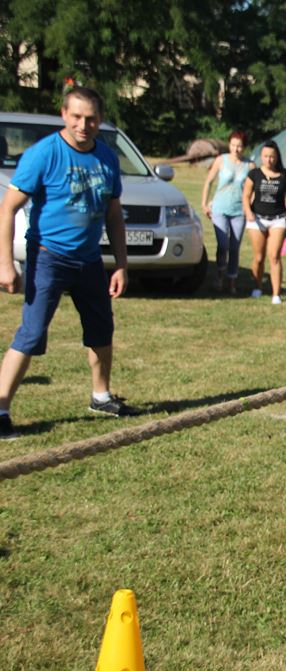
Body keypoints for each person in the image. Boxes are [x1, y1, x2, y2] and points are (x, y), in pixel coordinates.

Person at [0, 87, 140, 439]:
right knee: (31, 334)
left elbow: (113, 215)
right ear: (64, 114)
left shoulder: (107, 158)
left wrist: (121, 265)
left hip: (89, 261)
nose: (83, 125)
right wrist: (5, 263)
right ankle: (1, 409)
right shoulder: (44, 154)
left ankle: (101, 396)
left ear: (100, 120)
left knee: (101, 329)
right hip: (48, 257)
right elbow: (8, 209)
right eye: (77, 117)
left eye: (91, 118)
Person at [243, 141, 286, 304]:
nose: (269, 160)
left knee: (274, 256)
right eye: (266, 156)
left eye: (272, 156)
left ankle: (276, 293)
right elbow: (245, 195)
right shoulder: (254, 174)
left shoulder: (284, 175)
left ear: (277, 157)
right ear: (261, 157)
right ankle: (257, 286)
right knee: (259, 257)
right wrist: (248, 212)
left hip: (278, 219)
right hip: (257, 219)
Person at [200, 130, 252, 294]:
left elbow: (254, 189)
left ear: (244, 147)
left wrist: (249, 205)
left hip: (239, 211)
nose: (236, 149)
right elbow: (208, 182)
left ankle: (232, 282)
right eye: (233, 145)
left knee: (235, 247)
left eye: (240, 146)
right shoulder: (220, 161)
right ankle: (219, 276)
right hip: (220, 208)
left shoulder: (249, 165)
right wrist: (204, 204)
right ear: (229, 144)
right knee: (223, 244)